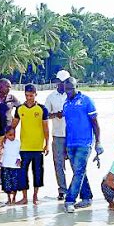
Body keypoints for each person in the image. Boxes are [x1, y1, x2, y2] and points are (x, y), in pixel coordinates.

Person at [63, 76, 103, 213]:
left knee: (78, 171)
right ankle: (87, 197)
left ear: (76, 87)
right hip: (70, 143)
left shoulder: (86, 101)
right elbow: (67, 126)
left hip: (84, 143)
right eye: (66, 89)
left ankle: (70, 200)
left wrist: (98, 142)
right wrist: (64, 146)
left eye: (71, 88)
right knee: (79, 172)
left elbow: (95, 124)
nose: (68, 91)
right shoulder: (66, 104)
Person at [10, 83, 49, 205]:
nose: (29, 98)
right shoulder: (20, 109)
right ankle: (25, 197)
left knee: (37, 172)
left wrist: (47, 144)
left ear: (35, 95)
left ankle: (35, 196)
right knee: (22, 173)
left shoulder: (42, 109)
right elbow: (13, 126)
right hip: (23, 147)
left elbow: (46, 128)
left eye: (31, 96)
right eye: (27, 95)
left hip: (38, 147)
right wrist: (9, 142)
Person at [45, 70, 69, 200]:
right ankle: (62, 189)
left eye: (65, 82)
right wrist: (56, 114)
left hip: (72, 134)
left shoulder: (73, 95)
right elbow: (46, 115)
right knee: (59, 164)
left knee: (75, 163)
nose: (63, 84)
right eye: (61, 82)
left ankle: (76, 189)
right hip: (58, 134)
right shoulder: (51, 97)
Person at [0, 78, 20, 196]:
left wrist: (14, 125)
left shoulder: (12, 98)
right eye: (6, 86)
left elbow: (20, 110)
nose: (9, 89)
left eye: (10, 86)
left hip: (9, 134)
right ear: (0, 86)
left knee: (9, 159)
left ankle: (8, 185)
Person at [0, 124, 26, 205]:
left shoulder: (17, 142)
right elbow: (1, 153)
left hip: (15, 165)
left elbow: (19, 152)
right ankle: (8, 199)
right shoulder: (4, 142)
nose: (12, 137)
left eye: (14, 134)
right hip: (5, 165)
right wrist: (0, 162)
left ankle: (14, 198)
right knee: (6, 183)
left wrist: (19, 159)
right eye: (10, 135)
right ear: (6, 135)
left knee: (14, 183)